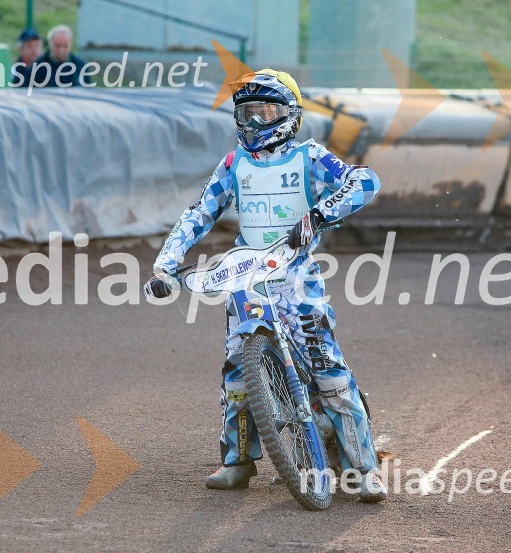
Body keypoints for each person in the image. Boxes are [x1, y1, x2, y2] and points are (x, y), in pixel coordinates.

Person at [144, 69, 388, 502]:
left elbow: (365, 180)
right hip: (246, 280)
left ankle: (364, 468)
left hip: (297, 279)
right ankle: (236, 462)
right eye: (248, 112)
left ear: (290, 114)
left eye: (267, 111)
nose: (256, 121)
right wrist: (165, 266)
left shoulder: (310, 156)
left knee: (328, 370)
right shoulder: (234, 163)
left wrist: (318, 215)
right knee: (237, 373)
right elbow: (199, 213)